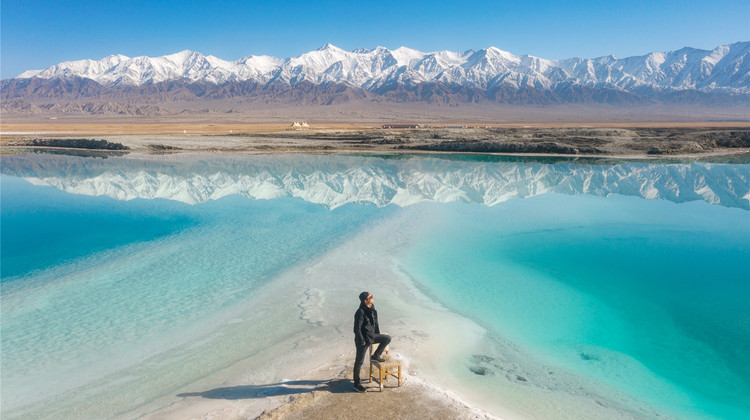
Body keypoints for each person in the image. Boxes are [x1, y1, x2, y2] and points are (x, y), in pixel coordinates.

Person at [352, 291, 391, 392]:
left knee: (387, 338)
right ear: (365, 301)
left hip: (372, 336)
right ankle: (356, 383)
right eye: (371, 297)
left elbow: (374, 322)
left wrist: (377, 334)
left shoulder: (372, 307)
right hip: (363, 340)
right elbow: (357, 329)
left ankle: (375, 356)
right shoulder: (360, 312)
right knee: (359, 362)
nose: (373, 297)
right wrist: (362, 341)